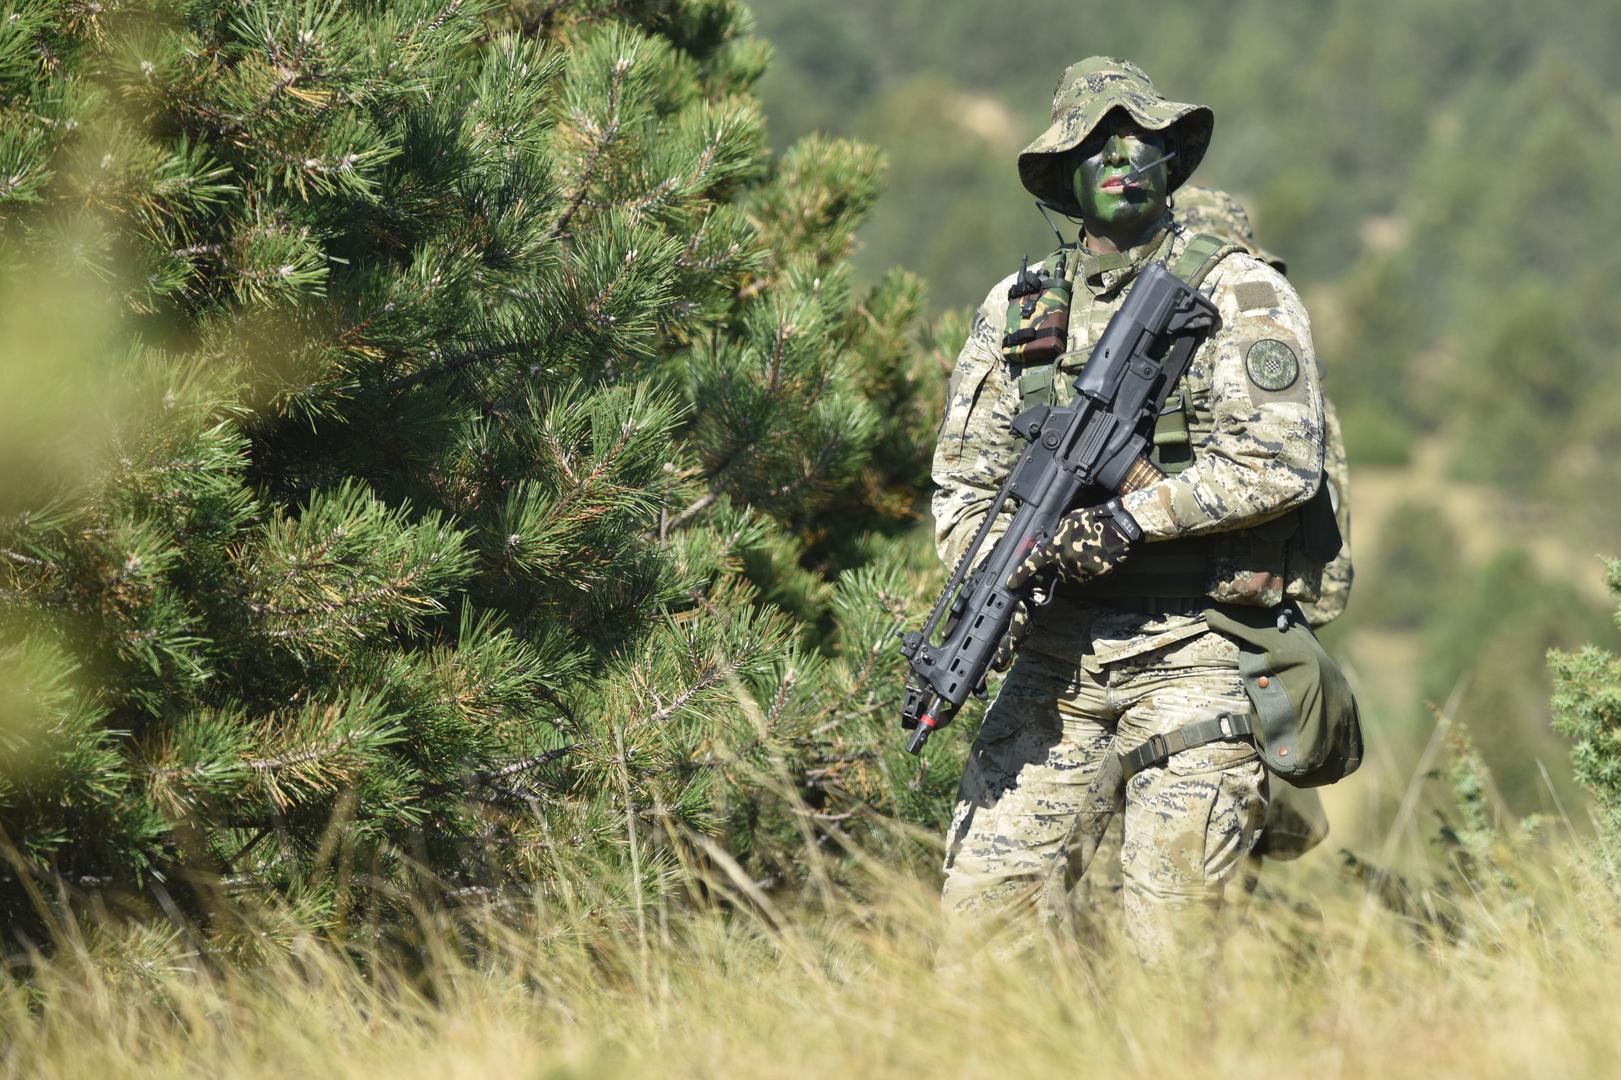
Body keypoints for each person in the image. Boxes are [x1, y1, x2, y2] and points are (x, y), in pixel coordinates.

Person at [932, 57, 1328, 962]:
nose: (1118, 156)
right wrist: (1004, 573)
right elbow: (964, 484)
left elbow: (1279, 463)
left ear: (1170, 160)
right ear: (1060, 172)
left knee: (1170, 953)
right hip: (1054, 659)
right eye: (1093, 142)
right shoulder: (1017, 310)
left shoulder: (1240, 291)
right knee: (978, 935)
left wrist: (1128, 519)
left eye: (1138, 138)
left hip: (1196, 648)